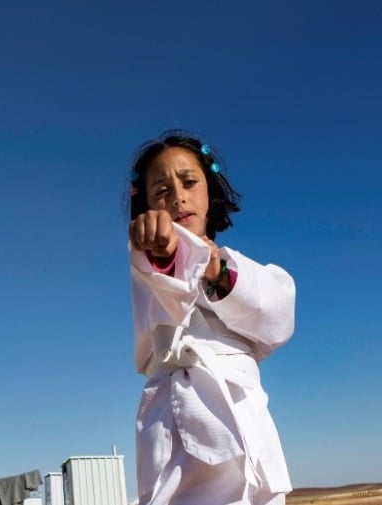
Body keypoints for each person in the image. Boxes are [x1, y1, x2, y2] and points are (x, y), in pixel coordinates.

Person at [127, 131, 295, 505]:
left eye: (188, 182)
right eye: (161, 191)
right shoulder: (145, 261)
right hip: (172, 427)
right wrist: (162, 250)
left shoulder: (244, 269)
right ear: (148, 209)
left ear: (209, 192)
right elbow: (162, 285)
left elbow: (277, 318)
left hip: (240, 417)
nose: (177, 197)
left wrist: (217, 271)